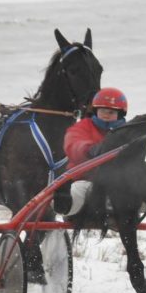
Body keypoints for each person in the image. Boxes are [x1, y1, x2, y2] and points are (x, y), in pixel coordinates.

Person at [53, 87, 128, 217]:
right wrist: (89, 149)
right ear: (95, 110)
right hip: (86, 180)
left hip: (117, 184)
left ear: (120, 114)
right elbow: (72, 144)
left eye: (111, 112)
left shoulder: (127, 131)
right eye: (102, 111)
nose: (106, 115)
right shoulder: (83, 126)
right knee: (78, 190)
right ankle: (65, 207)